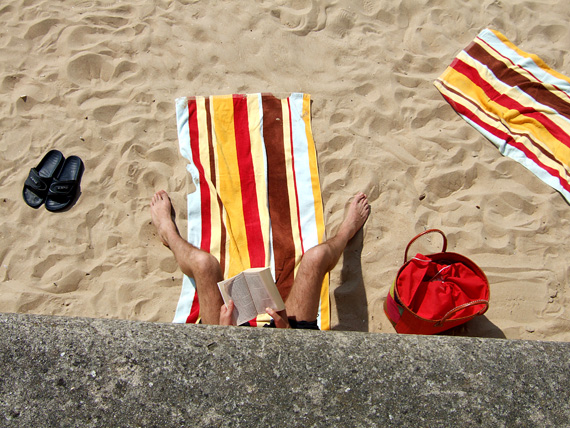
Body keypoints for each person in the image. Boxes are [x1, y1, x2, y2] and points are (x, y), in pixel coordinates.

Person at [150, 190, 370, 329]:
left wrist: (223, 334)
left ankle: (168, 234)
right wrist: (285, 330)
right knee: (316, 257)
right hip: (285, 351)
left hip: (231, 349)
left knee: (203, 264)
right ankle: (346, 232)